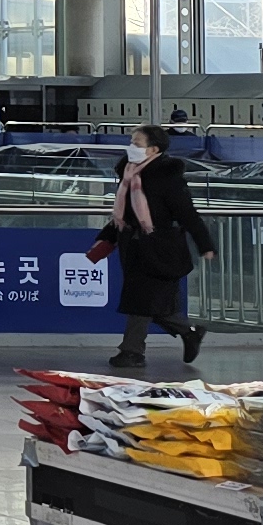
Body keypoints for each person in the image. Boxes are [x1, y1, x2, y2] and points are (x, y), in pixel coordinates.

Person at [101, 120, 215, 371]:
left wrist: (205, 244)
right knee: (149, 303)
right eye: (131, 142)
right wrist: (106, 238)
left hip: (160, 249)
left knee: (141, 301)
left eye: (137, 143)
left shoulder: (167, 178)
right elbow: (125, 214)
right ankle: (189, 332)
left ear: (153, 149)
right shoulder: (130, 174)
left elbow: (187, 213)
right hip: (135, 247)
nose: (131, 147)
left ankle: (132, 352)